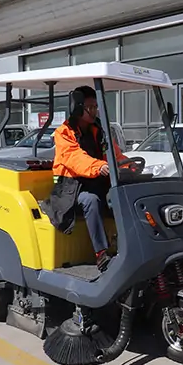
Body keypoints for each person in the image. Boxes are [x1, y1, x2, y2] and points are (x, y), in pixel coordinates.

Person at [42, 85, 127, 271]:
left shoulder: (98, 130)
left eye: (97, 106)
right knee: (91, 201)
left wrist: (128, 166)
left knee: (123, 197)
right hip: (70, 188)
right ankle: (102, 255)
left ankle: (127, 248)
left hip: (96, 182)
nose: (95, 110)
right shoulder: (63, 133)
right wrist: (100, 166)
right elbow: (74, 157)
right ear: (78, 108)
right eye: (91, 107)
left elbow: (114, 154)